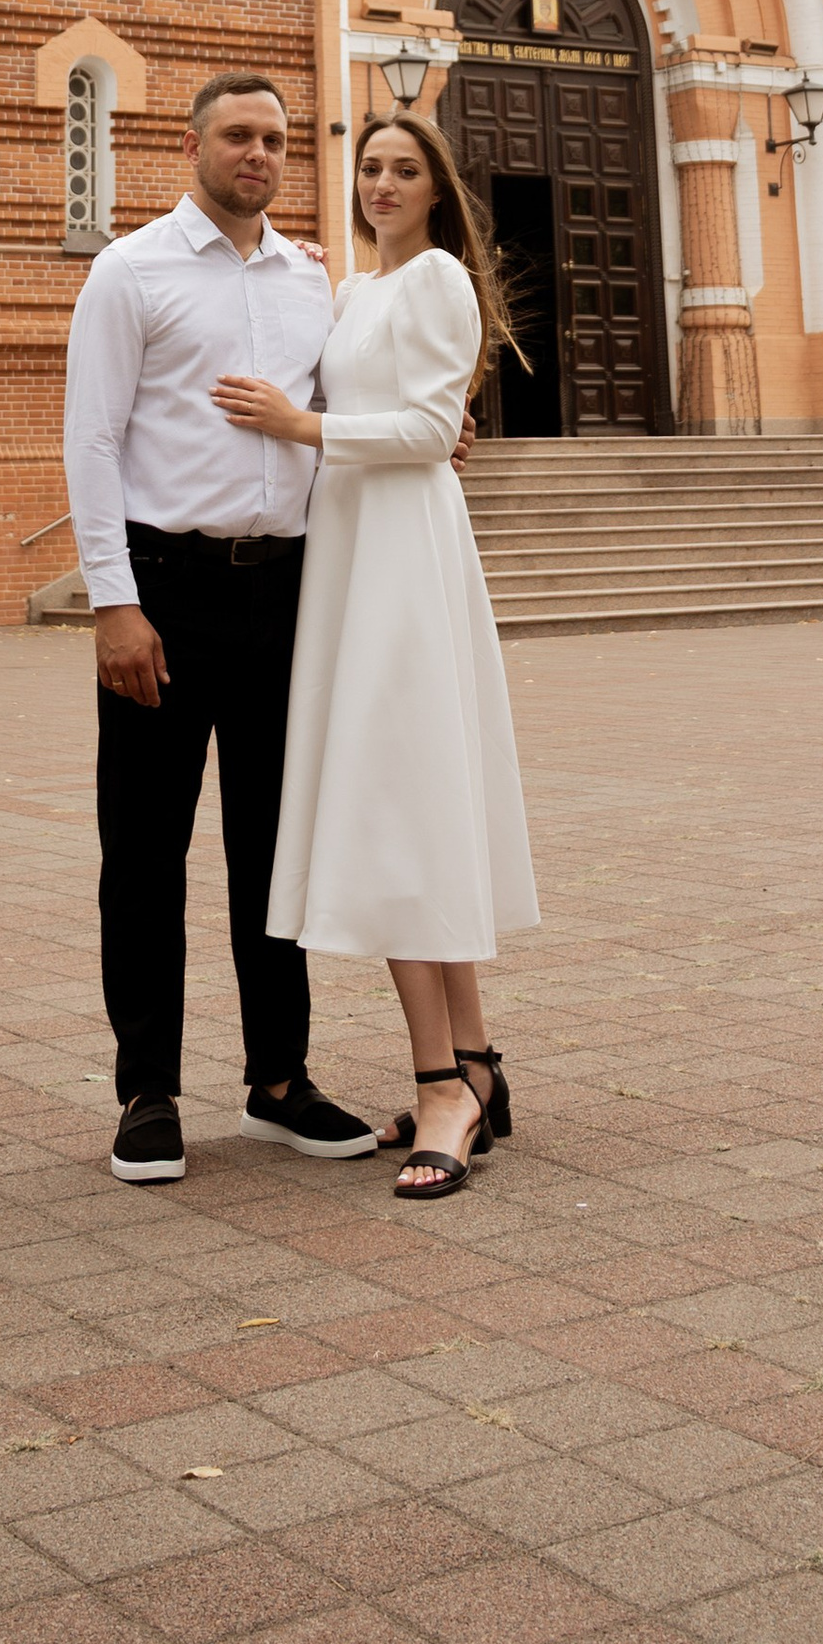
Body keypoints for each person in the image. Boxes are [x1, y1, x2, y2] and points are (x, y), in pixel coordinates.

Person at [214, 108, 538, 1200]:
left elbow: (424, 424)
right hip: (349, 551)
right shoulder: (351, 290)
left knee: (405, 798)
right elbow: (369, 393)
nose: (383, 182)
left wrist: (297, 425)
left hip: (403, 550)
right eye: (369, 168)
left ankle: (440, 1079)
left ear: (437, 187)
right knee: (411, 794)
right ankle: (482, 1064)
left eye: (404, 169)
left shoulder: (441, 276)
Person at [62, 72, 377, 1183]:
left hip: (281, 593)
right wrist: (113, 601)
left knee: (273, 848)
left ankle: (278, 1079)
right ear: (192, 142)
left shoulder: (309, 279)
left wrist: (430, 433)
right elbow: (92, 442)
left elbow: (337, 417)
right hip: (162, 587)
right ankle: (147, 1091)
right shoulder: (130, 269)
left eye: (276, 139)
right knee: (144, 848)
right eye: (239, 135)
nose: (259, 153)